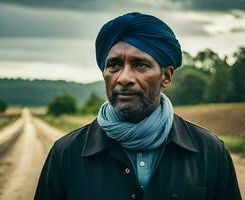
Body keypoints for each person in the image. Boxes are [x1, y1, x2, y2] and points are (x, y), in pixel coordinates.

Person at [34, 12, 241, 200]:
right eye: (114, 65)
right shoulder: (67, 154)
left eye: (140, 65)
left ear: (166, 76)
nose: (124, 78)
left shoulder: (209, 152)